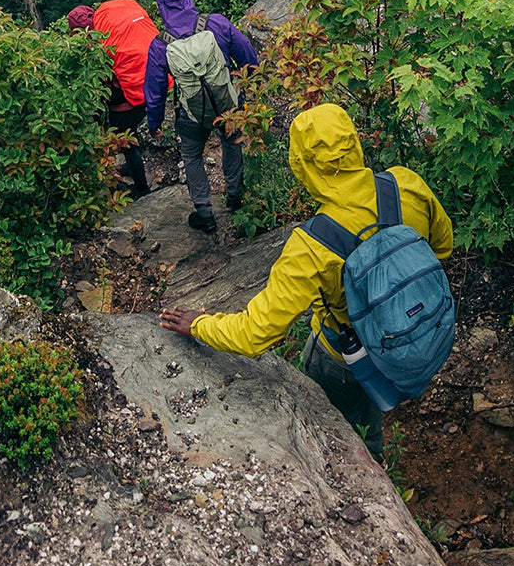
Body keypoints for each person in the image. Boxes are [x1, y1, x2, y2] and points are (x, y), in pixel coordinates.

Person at [159, 103, 451, 457]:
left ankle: (351, 471)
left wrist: (201, 325)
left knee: (327, 431)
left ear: (302, 165)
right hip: (410, 329)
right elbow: (441, 248)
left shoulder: (310, 247)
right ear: (354, 144)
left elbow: (255, 334)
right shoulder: (405, 184)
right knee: (372, 414)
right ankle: (377, 455)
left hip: (343, 357)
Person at [143, 0, 258, 233]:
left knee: (192, 155)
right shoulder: (215, 23)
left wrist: (154, 123)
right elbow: (248, 56)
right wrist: (249, 93)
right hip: (227, 105)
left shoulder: (160, 44)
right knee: (231, 141)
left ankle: (205, 213)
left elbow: (155, 89)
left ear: (160, 7)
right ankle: (235, 196)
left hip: (192, 115)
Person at [68, 0, 154, 198]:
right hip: (148, 86)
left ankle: (142, 189)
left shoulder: (96, 47)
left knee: (126, 140)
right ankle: (131, 167)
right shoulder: (112, 28)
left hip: (128, 99)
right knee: (130, 133)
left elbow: (102, 83)